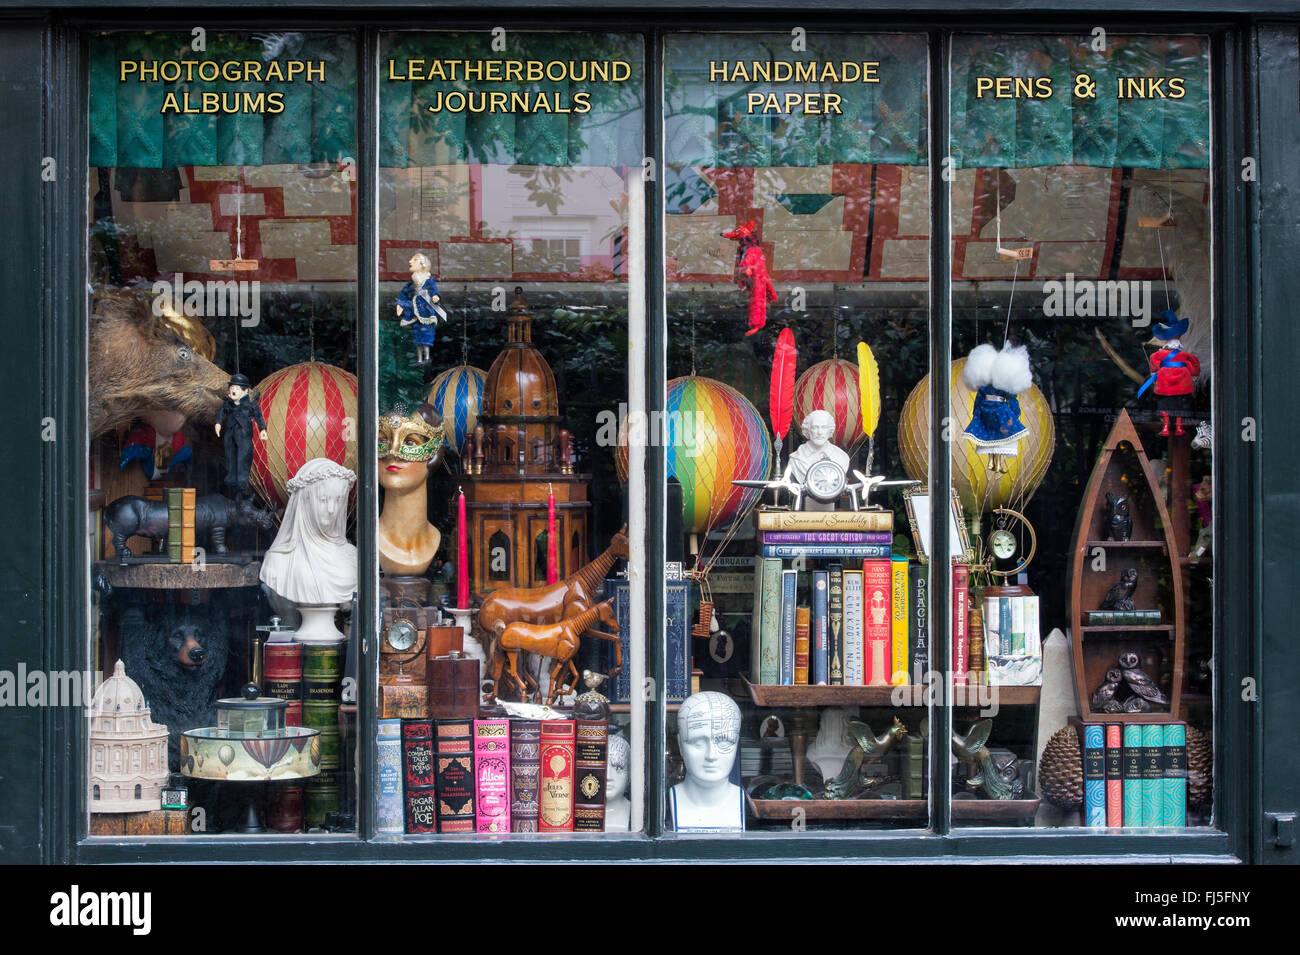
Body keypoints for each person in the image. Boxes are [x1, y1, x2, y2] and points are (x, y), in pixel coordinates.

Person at [259, 458, 358, 608]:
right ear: (304, 501)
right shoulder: (278, 562)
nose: (332, 509)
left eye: (338, 500)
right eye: (323, 499)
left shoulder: (352, 557)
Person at [670, 691, 743, 831]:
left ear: (737, 743)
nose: (711, 755)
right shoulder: (662, 806)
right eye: (698, 743)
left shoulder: (747, 805)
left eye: (724, 743)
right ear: (680, 745)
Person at [1140, 310, 1201, 437]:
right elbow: (1193, 362)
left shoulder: (1158, 354)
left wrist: (1154, 374)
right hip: (1182, 383)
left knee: (1165, 406)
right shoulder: (1184, 355)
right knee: (1179, 408)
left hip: (1165, 384)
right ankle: (1179, 428)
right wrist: (1194, 376)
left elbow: (1154, 362)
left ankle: (1166, 427)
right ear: (1179, 335)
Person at [214, 374, 267, 504]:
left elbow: (259, 417)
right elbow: (221, 413)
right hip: (230, 436)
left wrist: (263, 430)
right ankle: (232, 483)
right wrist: (218, 423)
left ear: (245, 391)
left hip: (243, 437)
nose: (233, 390)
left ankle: (243, 486)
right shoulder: (228, 404)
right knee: (230, 457)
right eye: (232, 387)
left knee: (243, 459)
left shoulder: (250, 405)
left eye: (237, 388)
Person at [395, 252, 444, 365]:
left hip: (426, 313)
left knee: (426, 336)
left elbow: (433, 290)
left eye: (415, 260)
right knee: (417, 338)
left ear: (422, 264)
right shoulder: (411, 284)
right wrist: (400, 304)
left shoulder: (428, 281)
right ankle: (419, 359)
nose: (410, 262)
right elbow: (404, 294)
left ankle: (426, 357)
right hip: (415, 314)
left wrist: (435, 296)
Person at [785, 409, 851, 488]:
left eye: (824, 427)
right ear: (808, 430)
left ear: (829, 430)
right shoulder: (796, 459)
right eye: (814, 427)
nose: (819, 432)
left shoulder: (841, 457)